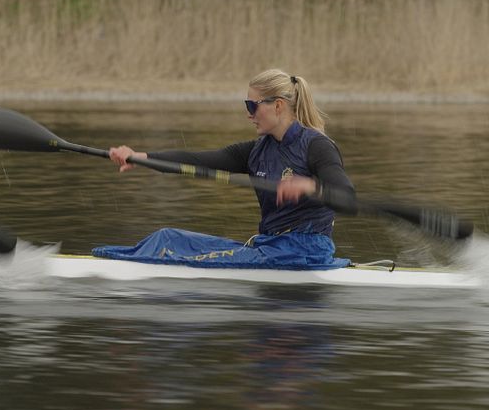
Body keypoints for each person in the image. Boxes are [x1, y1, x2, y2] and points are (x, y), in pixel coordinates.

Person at [99, 69, 356, 270]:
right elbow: (197, 160)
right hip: (270, 248)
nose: (248, 114)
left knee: (172, 247)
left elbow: (347, 198)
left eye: (251, 106)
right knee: (167, 237)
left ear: (278, 106)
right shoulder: (256, 151)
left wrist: (311, 186)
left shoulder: (317, 146)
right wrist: (139, 157)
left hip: (306, 253)